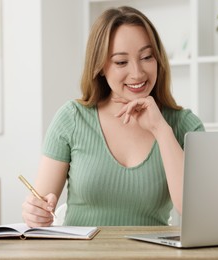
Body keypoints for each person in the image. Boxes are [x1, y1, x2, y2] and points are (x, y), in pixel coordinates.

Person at [22, 6, 204, 227]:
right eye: (121, 62)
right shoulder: (71, 118)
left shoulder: (184, 125)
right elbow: (40, 208)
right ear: (100, 67)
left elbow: (196, 211)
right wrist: (35, 213)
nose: (137, 73)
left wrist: (160, 129)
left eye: (147, 57)